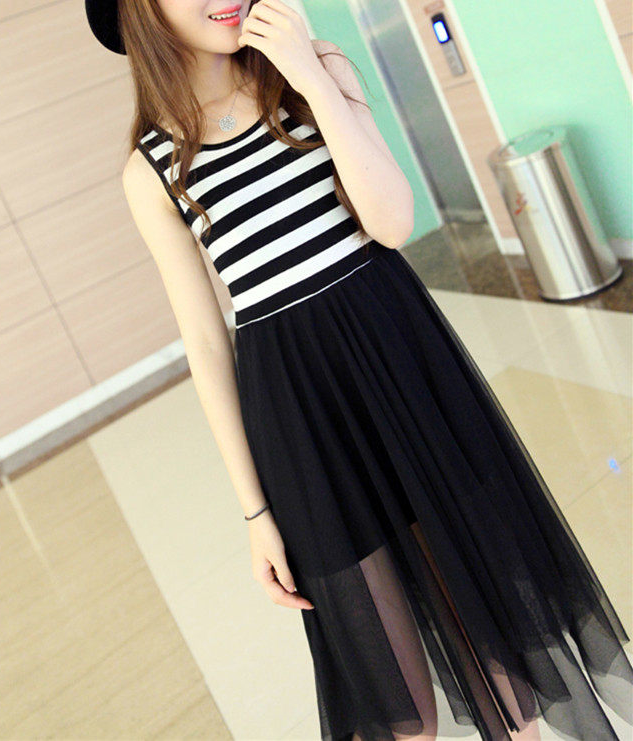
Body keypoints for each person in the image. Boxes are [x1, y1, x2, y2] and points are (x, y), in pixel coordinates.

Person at [85, 1, 633, 739]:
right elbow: (207, 343)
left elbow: (392, 222)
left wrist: (312, 77)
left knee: (495, 642)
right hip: (299, 414)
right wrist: (255, 513)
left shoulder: (315, 76)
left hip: (404, 366)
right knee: (395, 697)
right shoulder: (152, 169)